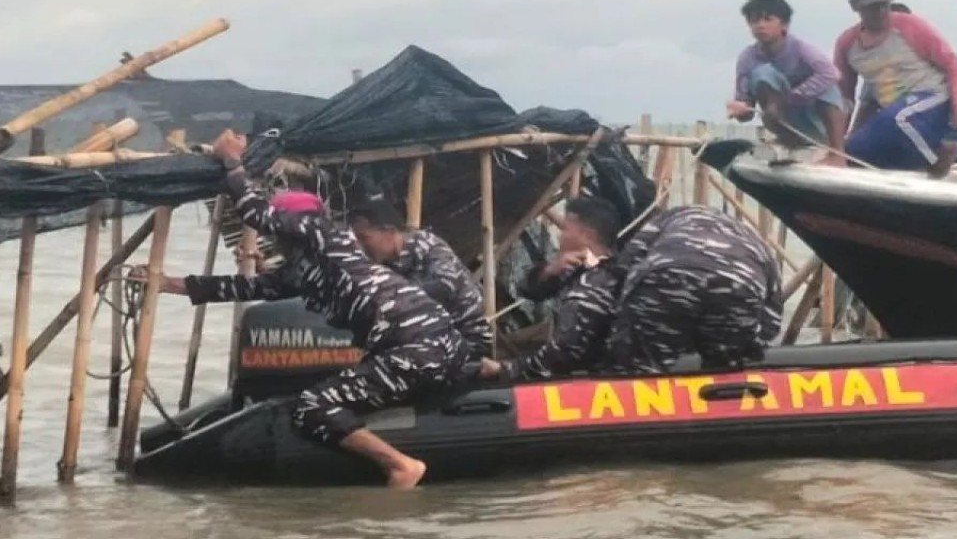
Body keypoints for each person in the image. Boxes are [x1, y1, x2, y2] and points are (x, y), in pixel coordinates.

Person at [162, 130, 466, 489]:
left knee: (313, 406)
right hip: (427, 345)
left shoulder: (322, 231)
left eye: (279, 231)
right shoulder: (306, 268)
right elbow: (245, 287)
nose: (274, 238)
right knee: (325, 391)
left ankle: (401, 465)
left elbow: (256, 214)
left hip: (413, 344)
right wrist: (170, 284)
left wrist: (232, 162)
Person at [835, 0, 957, 185]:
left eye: (884, 5)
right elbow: (852, 102)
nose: (880, 12)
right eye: (872, 7)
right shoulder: (864, 61)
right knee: (862, 148)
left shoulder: (912, 33)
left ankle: (940, 161)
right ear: (855, 7)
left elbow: (953, 64)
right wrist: (840, 145)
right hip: (923, 129)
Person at [603, 204, 783, 373]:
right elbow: (772, 318)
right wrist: (749, 344)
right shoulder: (755, 240)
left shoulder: (665, 219)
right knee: (726, 371)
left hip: (667, 275)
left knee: (641, 367)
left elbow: (623, 267)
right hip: (741, 286)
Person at [478, 197, 623, 381]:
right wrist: (549, 270)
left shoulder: (592, 286)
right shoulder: (586, 268)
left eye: (566, 230)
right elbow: (528, 290)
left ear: (586, 234)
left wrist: (505, 369)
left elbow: (563, 353)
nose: (560, 236)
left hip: (589, 387)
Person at [346, 198, 493, 359]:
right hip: (430, 344)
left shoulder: (427, 245)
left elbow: (445, 285)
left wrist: (394, 298)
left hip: (468, 341)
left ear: (389, 232)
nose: (361, 247)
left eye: (364, 238)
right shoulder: (383, 267)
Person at [882, 1, 957, 185]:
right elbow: (867, 107)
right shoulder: (878, 69)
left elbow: (955, 71)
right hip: (937, 139)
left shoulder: (929, 57)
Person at [726, 0, 848, 165]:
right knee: (762, 74)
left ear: (784, 24)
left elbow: (832, 73)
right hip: (780, 118)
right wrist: (739, 110)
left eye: (768, 19)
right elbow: (747, 109)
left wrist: (790, 98)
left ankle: (837, 153)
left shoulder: (800, 49)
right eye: (754, 21)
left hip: (814, 119)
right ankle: (788, 140)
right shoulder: (747, 58)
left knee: (828, 87)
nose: (760, 25)